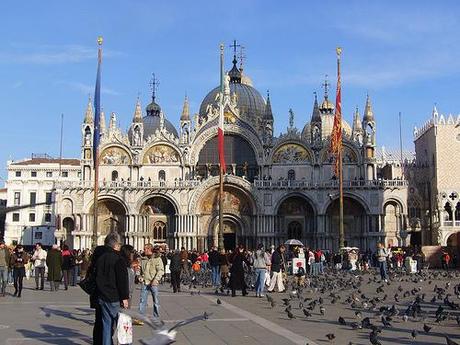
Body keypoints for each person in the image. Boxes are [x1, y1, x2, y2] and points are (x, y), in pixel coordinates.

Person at [95, 232, 129, 345]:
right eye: (119, 244)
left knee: (106, 326)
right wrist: (124, 298)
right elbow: (122, 280)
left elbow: (97, 277)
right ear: (115, 245)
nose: (120, 246)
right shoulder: (118, 259)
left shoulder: (100, 258)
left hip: (102, 297)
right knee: (121, 325)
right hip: (114, 298)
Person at [139, 244, 164, 320]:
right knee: (142, 300)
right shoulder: (143, 259)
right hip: (145, 282)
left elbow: (160, 270)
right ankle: (140, 317)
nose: (144, 250)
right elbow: (139, 269)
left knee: (156, 301)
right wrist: (140, 277)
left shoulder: (157, 258)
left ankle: (156, 317)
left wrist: (156, 280)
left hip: (153, 283)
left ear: (150, 249)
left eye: (145, 249)